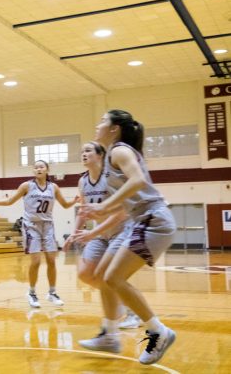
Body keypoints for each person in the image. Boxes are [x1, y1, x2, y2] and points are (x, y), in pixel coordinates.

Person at [77, 109, 176, 365]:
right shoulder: (114, 154)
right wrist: (100, 211)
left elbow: (139, 181)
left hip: (152, 220)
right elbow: (126, 201)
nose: (97, 124)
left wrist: (102, 206)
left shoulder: (119, 150)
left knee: (113, 278)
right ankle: (110, 335)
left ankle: (157, 331)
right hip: (139, 220)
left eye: (102, 120)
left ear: (114, 128)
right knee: (103, 277)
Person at [63, 142, 140, 335]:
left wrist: (92, 233)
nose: (83, 154)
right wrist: (74, 233)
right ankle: (119, 300)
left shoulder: (111, 177)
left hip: (122, 231)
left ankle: (133, 313)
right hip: (100, 233)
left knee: (110, 276)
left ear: (100, 155)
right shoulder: (82, 181)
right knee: (84, 273)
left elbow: (122, 213)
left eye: (88, 150)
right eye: (81, 151)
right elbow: (83, 210)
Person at [0, 160, 79, 308]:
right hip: (31, 226)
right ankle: (31, 293)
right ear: (33, 171)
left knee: (51, 260)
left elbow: (65, 205)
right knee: (36, 261)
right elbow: (10, 200)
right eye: (35, 167)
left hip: (48, 226)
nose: (38, 169)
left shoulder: (53, 187)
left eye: (41, 166)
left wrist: (75, 201)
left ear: (47, 169)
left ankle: (52, 292)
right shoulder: (27, 186)